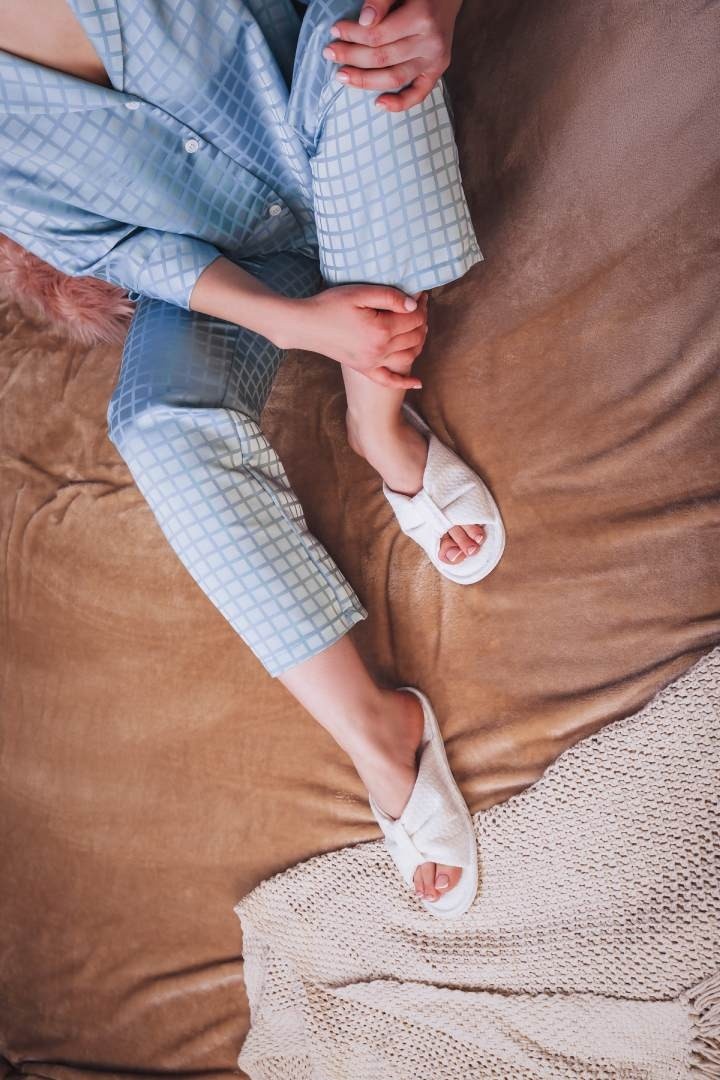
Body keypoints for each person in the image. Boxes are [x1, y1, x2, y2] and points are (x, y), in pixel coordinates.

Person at [0, 0, 503, 913]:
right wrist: (291, 323)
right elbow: (123, 247)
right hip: (225, 272)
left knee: (367, 63)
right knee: (155, 421)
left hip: (344, 129)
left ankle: (380, 427)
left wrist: (438, 7)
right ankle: (378, 734)